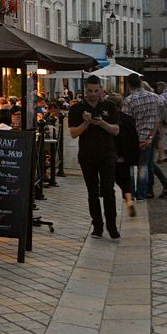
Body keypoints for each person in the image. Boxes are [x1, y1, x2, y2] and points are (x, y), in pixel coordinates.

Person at [69, 75, 120, 239]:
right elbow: (73, 134)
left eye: (96, 91)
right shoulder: (77, 108)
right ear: (85, 90)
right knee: (92, 191)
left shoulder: (109, 106)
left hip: (107, 153)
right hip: (87, 155)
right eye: (89, 91)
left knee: (108, 189)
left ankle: (112, 226)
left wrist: (101, 123)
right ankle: (97, 225)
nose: (92, 94)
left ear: (101, 90)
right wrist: (86, 123)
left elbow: (116, 130)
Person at [123, 74, 167, 201]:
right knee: (143, 167)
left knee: (130, 167)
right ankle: (141, 194)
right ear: (140, 83)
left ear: (129, 85)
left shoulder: (128, 101)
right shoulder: (155, 97)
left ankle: (132, 193)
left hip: (134, 139)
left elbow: (126, 123)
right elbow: (163, 111)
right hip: (149, 137)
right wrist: (152, 135)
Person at [106, 94, 138, 218]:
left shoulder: (109, 120)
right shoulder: (129, 119)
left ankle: (111, 207)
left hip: (112, 154)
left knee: (109, 181)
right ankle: (129, 200)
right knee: (124, 180)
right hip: (125, 155)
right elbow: (133, 137)